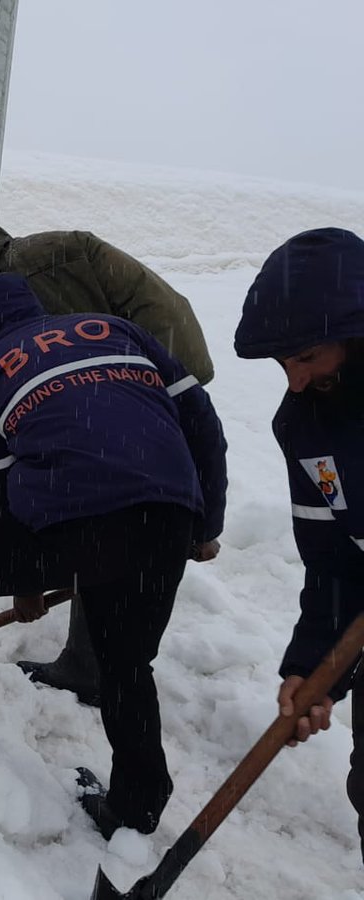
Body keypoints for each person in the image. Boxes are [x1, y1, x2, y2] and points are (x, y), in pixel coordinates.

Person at [0, 273, 227, 839]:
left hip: (72, 519)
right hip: (164, 516)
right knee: (126, 663)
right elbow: (203, 424)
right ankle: (137, 806)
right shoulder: (118, 331)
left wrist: (25, 582)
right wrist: (205, 523)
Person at [0, 226, 216, 707]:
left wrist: (24, 580)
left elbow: (60, 377)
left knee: (101, 505)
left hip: (142, 369)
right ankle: (103, 656)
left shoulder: (24, 275)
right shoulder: (32, 255)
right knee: (112, 507)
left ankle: (96, 665)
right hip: (148, 358)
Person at [233, 226, 364, 864]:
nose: (296, 380)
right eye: (284, 363)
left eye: (308, 355)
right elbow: (333, 560)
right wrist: (313, 667)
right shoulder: (306, 425)